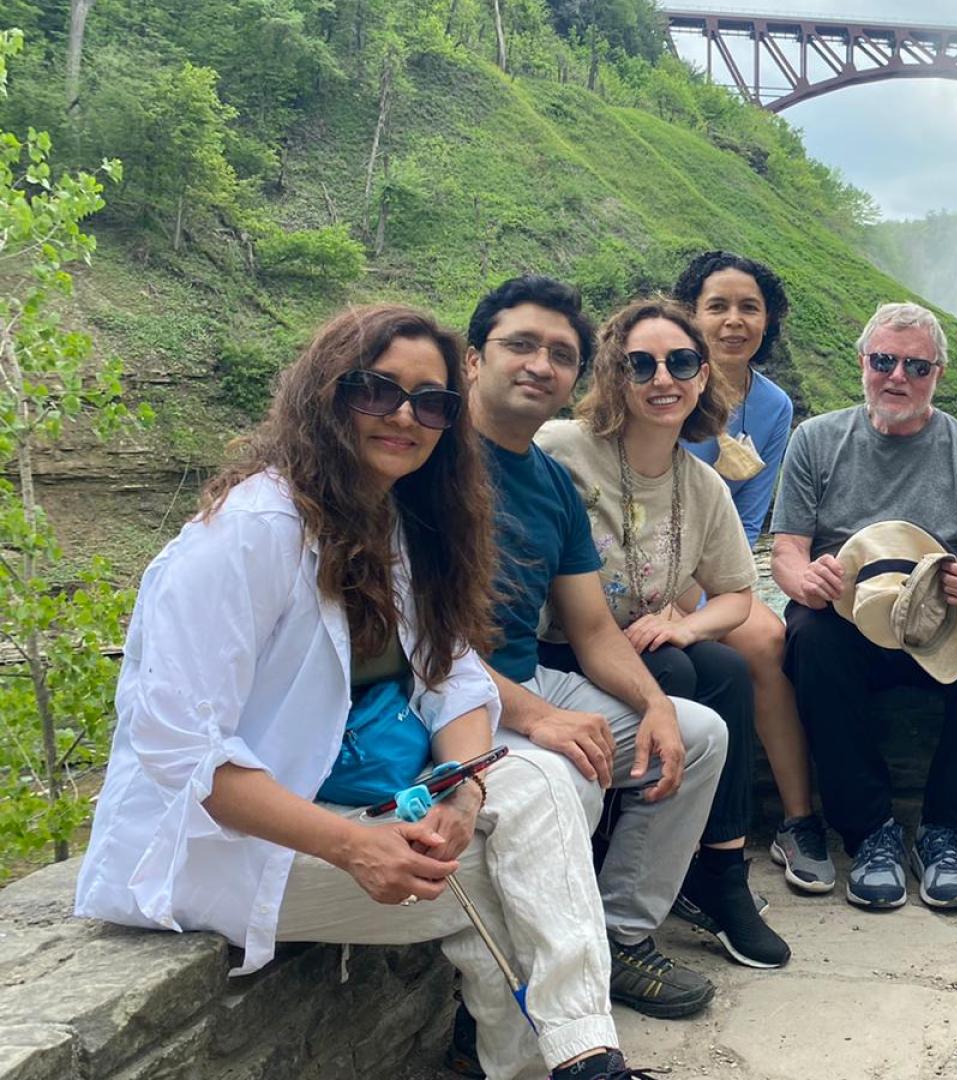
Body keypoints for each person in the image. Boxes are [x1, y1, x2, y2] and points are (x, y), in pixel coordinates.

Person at [73, 305, 653, 1080]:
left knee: (541, 778)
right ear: (326, 393)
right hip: (226, 847)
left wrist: (462, 796)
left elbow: (451, 675)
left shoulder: (386, 526)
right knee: (504, 880)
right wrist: (353, 847)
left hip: (353, 800)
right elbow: (184, 752)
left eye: (432, 403)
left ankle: (579, 1059)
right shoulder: (248, 534)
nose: (405, 416)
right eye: (378, 391)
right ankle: (569, 1064)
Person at [462, 275, 728, 1021]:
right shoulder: (432, 460)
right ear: (472, 359)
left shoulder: (547, 479)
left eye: (559, 354)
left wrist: (653, 707)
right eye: (520, 345)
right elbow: (420, 641)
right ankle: (526, 991)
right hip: (448, 697)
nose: (539, 365)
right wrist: (538, 718)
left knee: (698, 732)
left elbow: (592, 627)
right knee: (567, 775)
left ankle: (617, 941)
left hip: (521, 682)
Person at [534, 296, 788, 970]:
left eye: (680, 362)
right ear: (615, 375)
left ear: (704, 375)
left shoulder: (701, 484)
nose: (662, 379)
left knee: (724, 669)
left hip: (638, 643)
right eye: (640, 364)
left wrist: (686, 623)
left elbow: (738, 593)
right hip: (557, 644)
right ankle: (617, 871)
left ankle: (721, 869)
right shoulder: (561, 447)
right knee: (676, 680)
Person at [770, 301, 957, 911]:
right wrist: (805, 582)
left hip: (937, 618)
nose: (897, 377)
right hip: (848, 616)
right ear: (863, 363)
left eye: (916, 365)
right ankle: (869, 831)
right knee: (808, 635)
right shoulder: (816, 439)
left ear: (938, 374)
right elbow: (787, 552)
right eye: (884, 360)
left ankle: (949, 829)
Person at [669, 252, 829, 895]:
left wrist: (713, 600)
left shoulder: (772, 406)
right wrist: (684, 603)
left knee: (767, 640)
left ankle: (799, 818)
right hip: (638, 565)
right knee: (732, 647)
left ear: (768, 320)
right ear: (690, 315)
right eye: (718, 306)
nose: (734, 321)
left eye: (749, 308)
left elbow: (744, 519)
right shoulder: (665, 383)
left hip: (716, 566)